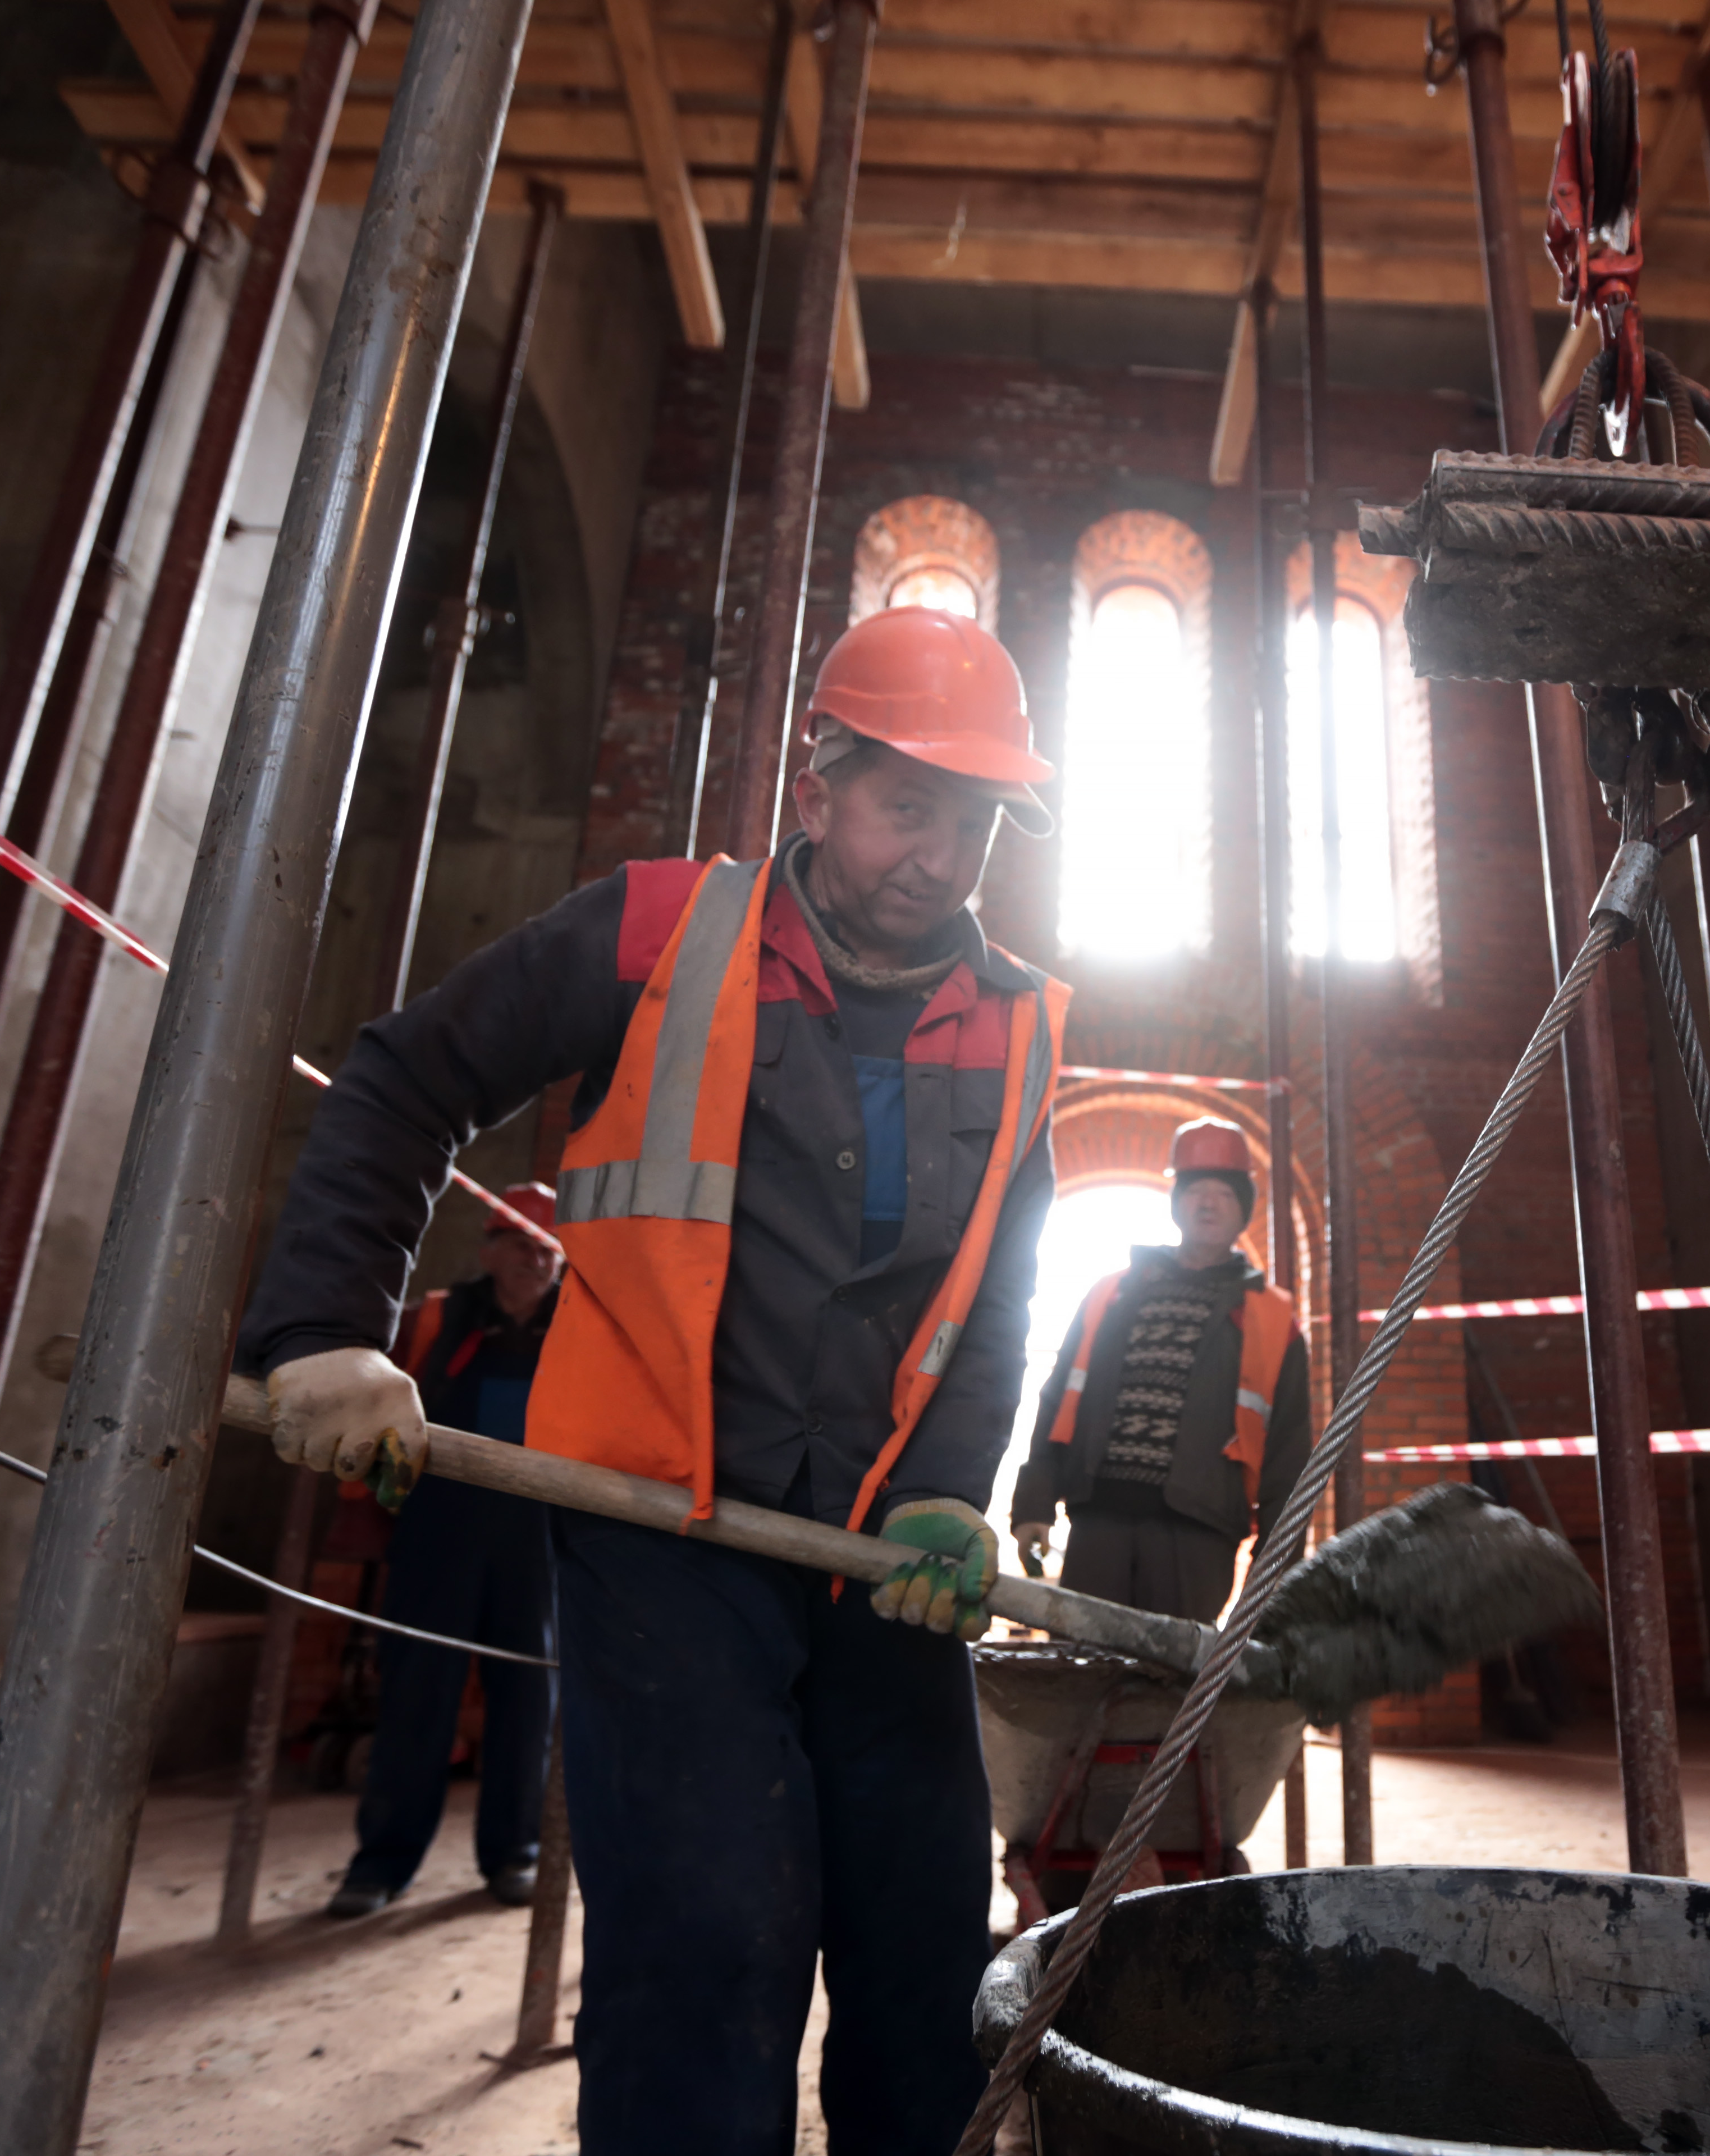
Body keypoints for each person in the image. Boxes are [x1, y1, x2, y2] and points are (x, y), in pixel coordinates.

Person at [236, 605, 1068, 2155]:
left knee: (921, 1954)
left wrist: (958, 1487)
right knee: (707, 1936)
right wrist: (325, 1332)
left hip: (876, 1554)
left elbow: (996, 1301)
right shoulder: (658, 933)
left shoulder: (1018, 1027)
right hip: (654, 1532)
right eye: (910, 807)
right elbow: (408, 1078)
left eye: (977, 822)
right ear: (814, 794)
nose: (943, 858)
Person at [324, 1182, 563, 1919]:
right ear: (489, 1249)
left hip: (538, 1539)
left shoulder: (581, 1331)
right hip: (439, 1533)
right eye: (520, 1243)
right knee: (415, 1696)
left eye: (549, 1249)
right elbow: (373, 1422)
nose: (534, 1258)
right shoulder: (434, 1318)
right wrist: (364, 1510)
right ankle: (382, 1864)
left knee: (529, 1700)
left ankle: (513, 1855)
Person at [1012, 1120, 1312, 1621]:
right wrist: (1034, 1504)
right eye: (1196, 1190)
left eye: (1223, 1192)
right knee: (1081, 1678)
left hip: (1197, 1538)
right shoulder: (1112, 1292)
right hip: (1098, 1523)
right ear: (1177, 1202)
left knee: (1172, 1689)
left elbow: (1289, 1454)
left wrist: (1276, 1569)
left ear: (1244, 1207)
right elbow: (1059, 1399)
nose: (1208, 1203)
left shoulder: (1274, 1320)